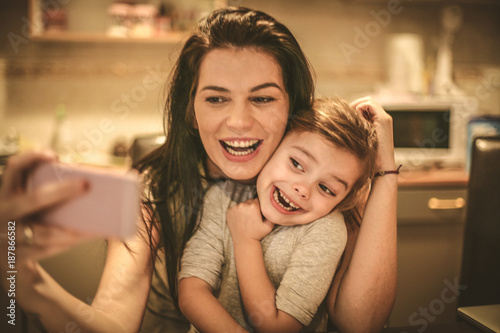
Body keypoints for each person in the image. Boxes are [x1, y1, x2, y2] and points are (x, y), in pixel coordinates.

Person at [0, 6, 397, 333]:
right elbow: (112, 321)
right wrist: (32, 285)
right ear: (190, 112)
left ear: (292, 110)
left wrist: (386, 171)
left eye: (261, 99)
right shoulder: (155, 190)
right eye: (216, 99)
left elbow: (360, 325)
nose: (239, 122)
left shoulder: (324, 186)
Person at [179, 97, 378, 332]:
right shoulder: (222, 196)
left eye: (326, 189)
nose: (302, 189)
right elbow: (191, 291)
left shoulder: (326, 230)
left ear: (342, 201)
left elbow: (277, 327)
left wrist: (245, 241)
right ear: (274, 146)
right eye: (296, 163)